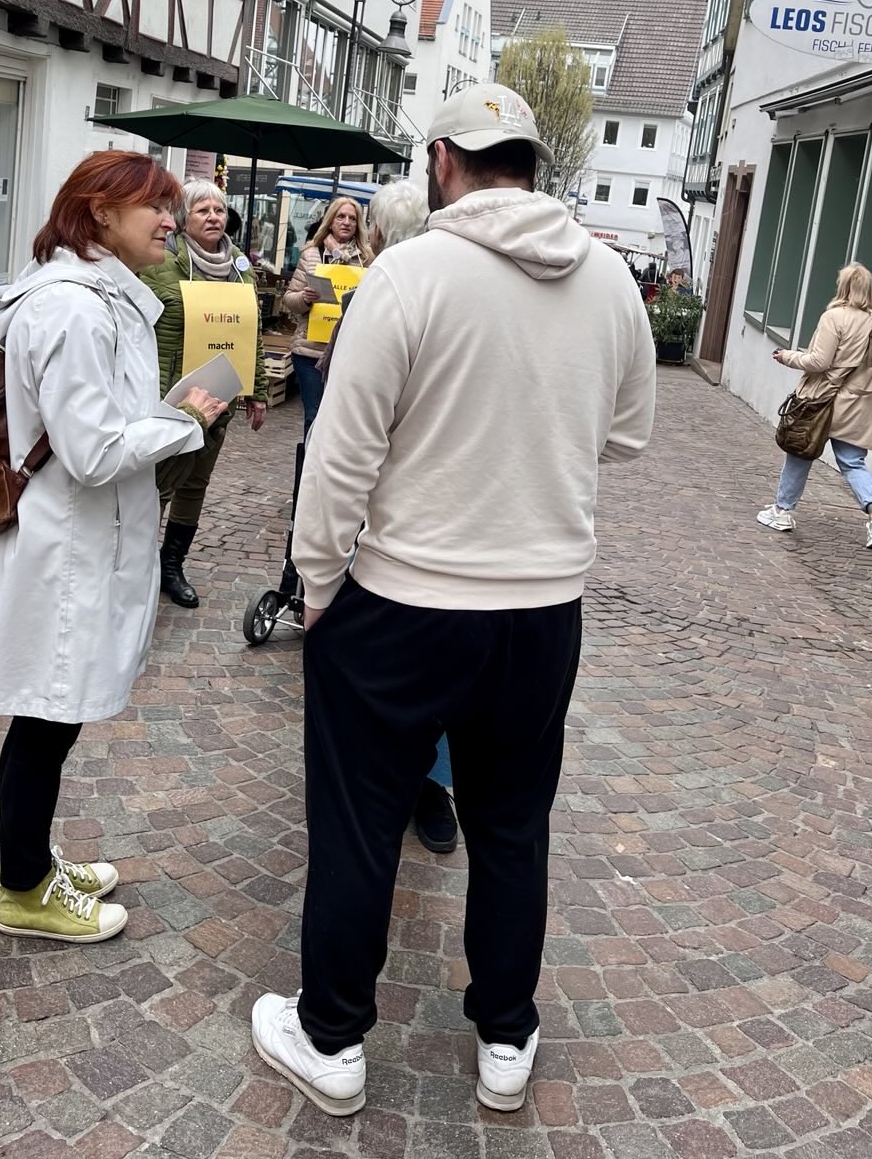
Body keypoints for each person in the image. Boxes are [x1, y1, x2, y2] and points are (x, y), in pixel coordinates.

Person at [251, 83, 656, 1117]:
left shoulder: (411, 272)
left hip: (407, 595)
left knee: (359, 821)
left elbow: (340, 453)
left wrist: (318, 583)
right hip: (542, 606)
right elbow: (626, 437)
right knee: (512, 825)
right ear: (531, 160)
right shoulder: (609, 278)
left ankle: (332, 1036)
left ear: (441, 160)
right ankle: (507, 1034)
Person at [0, 152, 227, 943]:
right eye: (156, 207)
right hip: (68, 547)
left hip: (78, 538)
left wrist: (166, 413)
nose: (171, 221)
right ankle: (23, 889)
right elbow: (94, 450)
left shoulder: (95, 296)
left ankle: (33, 863)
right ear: (100, 212)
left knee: (53, 715)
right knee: (47, 716)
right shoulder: (75, 308)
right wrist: (185, 420)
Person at [319, 181, 458, 857]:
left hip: (403, 513)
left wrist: (316, 568)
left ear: (374, 232)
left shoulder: (417, 286)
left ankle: (418, 784)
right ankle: (424, 784)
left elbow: (339, 428)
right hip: (409, 510)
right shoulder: (390, 289)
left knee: (392, 661)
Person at [142, 180, 269, 608]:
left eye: (219, 209)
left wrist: (257, 390)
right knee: (159, 484)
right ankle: (138, 566)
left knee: (195, 483)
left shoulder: (240, 267)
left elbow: (251, 332)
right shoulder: (161, 262)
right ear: (183, 219)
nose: (214, 217)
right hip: (172, 395)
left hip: (219, 398)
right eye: (203, 210)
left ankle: (171, 566)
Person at [757, 262, 872, 549]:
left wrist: (787, 356)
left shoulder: (834, 317)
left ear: (844, 287)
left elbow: (819, 361)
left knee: (801, 452)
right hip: (861, 406)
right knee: (852, 461)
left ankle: (782, 511)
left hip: (825, 400)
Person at [282, 195, 372, 434]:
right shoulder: (311, 255)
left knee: (339, 419)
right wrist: (304, 298)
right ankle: (308, 459)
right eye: (341, 216)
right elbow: (289, 300)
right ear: (330, 221)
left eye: (352, 218)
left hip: (346, 351)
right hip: (310, 351)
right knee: (314, 416)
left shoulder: (365, 260)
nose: (346, 222)